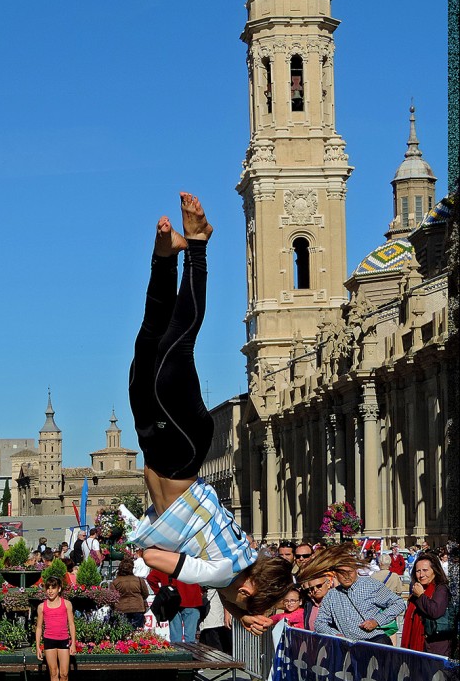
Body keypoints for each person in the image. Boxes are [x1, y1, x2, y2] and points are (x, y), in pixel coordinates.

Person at [127, 194, 294, 633]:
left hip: (159, 442)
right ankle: (199, 245)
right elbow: (154, 558)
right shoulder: (224, 571)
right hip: (178, 446)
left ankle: (166, 254)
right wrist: (244, 608)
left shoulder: (239, 560)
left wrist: (244, 612)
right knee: (173, 344)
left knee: (149, 341)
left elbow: (231, 588)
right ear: (247, 590)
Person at [295, 544, 405, 644]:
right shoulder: (332, 595)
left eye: (350, 572)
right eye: (342, 573)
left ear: (356, 570)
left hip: (374, 642)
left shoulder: (369, 585)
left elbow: (398, 603)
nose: (347, 576)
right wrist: (336, 635)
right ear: (336, 574)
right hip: (348, 648)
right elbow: (320, 623)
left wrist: (377, 621)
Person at [400, 553, 455, 657]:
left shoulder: (440, 589)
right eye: (418, 571)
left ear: (434, 570)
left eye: (425, 570)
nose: (421, 575)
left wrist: (421, 595)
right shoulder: (416, 591)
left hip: (436, 647)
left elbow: (435, 611)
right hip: (418, 646)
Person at [35, 576, 77, 681]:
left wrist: (73, 643)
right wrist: (37, 646)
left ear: (59, 589)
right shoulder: (42, 606)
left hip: (64, 639)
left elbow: (71, 624)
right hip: (49, 640)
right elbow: (39, 627)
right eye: (48, 588)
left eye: (53, 588)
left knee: (64, 673)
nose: (50, 591)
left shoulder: (67, 604)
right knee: (53, 672)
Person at [111, 556, 150, 630]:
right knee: (137, 633)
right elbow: (145, 594)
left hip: (121, 608)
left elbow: (112, 597)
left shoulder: (115, 582)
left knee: (122, 634)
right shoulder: (139, 580)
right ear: (132, 568)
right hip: (137, 608)